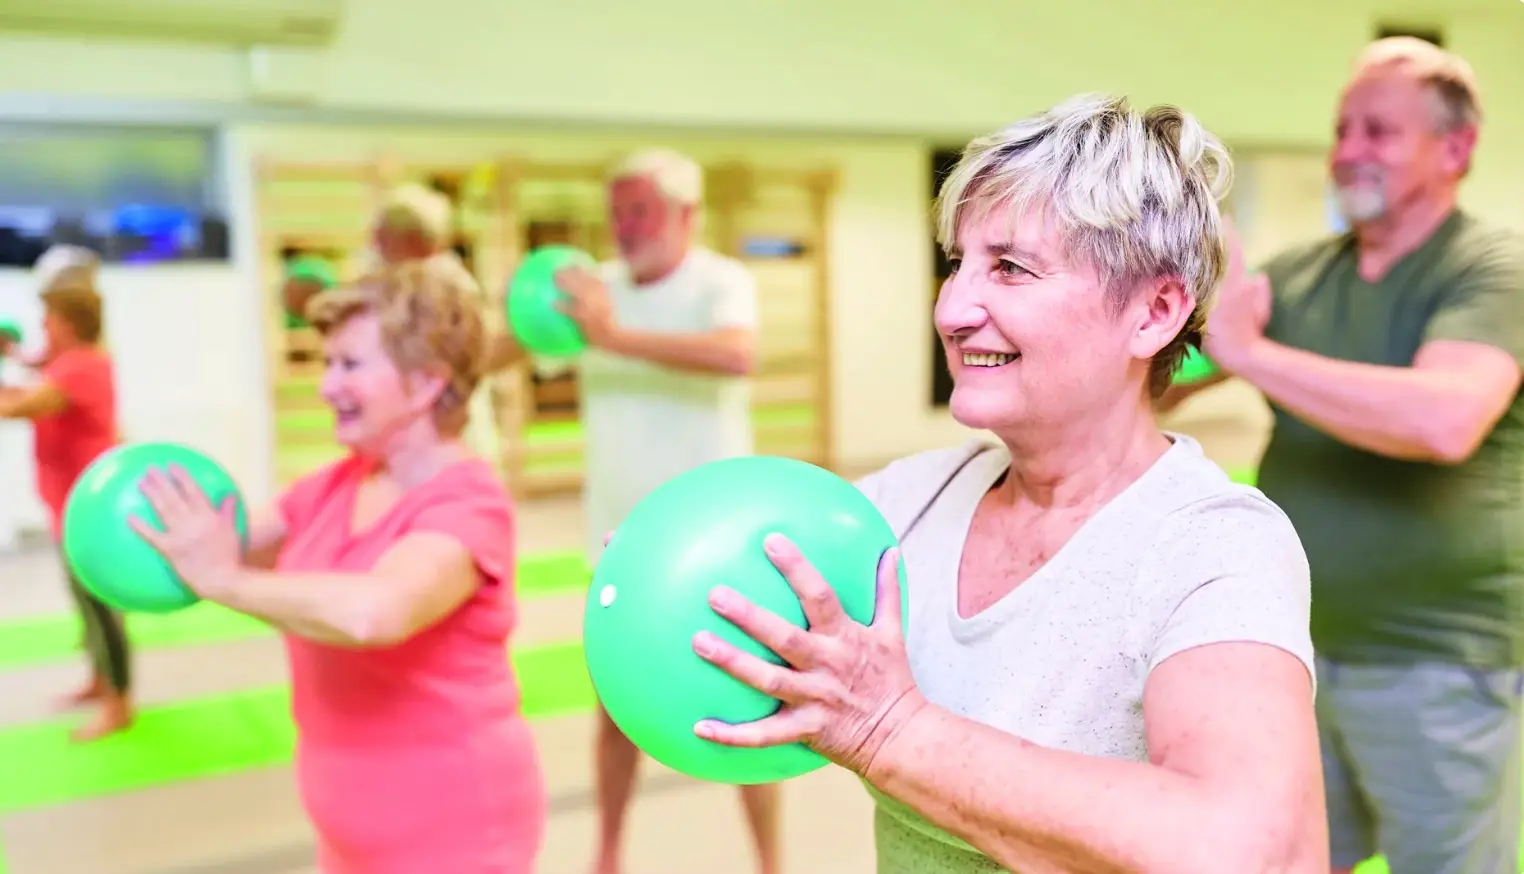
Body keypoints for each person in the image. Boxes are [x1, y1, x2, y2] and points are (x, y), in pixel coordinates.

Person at [655, 94, 1328, 873]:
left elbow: (1241, 852)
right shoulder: (906, 504)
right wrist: (675, 577)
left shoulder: (1216, 543)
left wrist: (891, 729)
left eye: (1008, 268)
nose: (951, 308)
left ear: (1154, 311)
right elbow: (739, 615)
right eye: (957, 264)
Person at [1165, 37, 1524, 874]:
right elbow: (1175, 372)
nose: (1350, 151)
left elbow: (1445, 420)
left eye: (1379, 131)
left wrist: (1250, 353)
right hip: (1292, 652)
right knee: (1287, 858)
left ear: (1457, 148)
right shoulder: (1298, 275)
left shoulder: (1492, 271)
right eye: (1342, 129)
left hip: (1436, 661)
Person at [133, 261, 546, 873]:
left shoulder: (468, 503)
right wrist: (157, 525)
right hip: (347, 837)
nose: (327, 386)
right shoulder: (336, 482)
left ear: (426, 382)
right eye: (328, 364)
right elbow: (228, 535)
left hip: (455, 833)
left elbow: (378, 611)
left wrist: (226, 581)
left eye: (349, 364)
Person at [496, 148, 775, 874]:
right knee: (614, 713)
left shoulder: (721, 281)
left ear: (686, 215)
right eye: (616, 211)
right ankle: (608, 856)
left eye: (640, 210)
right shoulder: (596, 291)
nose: (623, 226)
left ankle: (772, 863)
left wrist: (613, 337)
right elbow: (512, 348)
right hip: (616, 538)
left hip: (715, 543)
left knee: (749, 708)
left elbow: (737, 354)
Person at [0, 248, 132, 742]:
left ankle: (119, 703)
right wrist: (11, 354)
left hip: (90, 509)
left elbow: (21, 405)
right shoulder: (69, 361)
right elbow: (34, 370)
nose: (43, 327)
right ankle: (100, 682)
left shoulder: (81, 366)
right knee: (84, 602)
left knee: (100, 605)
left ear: (70, 324)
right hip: (69, 505)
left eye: (48, 318)